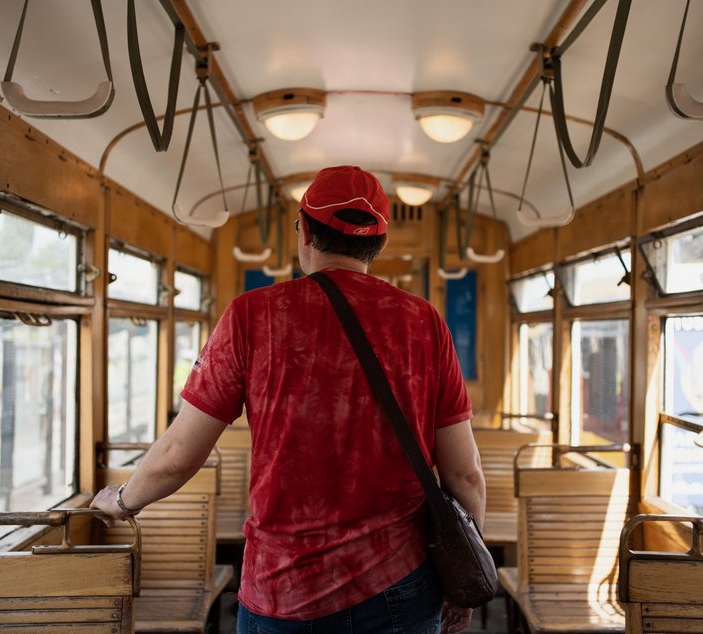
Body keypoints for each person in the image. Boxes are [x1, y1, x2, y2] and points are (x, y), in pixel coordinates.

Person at [91, 165, 486, 634]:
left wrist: (122, 500)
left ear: (305, 232)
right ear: (379, 244)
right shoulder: (425, 322)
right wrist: (464, 578)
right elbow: (464, 473)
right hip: (402, 583)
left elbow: (177, 455)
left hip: (285, 587)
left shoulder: (252, 315)